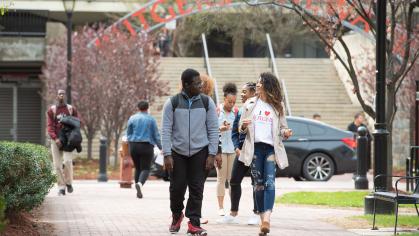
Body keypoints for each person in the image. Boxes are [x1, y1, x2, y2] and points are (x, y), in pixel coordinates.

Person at [162, 68, 219, 235]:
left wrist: (211, 154)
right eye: (196, 83)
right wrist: (167, 154)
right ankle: (176, 214)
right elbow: (165, 130)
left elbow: (214, 130)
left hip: (200, 152)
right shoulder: (172, 103)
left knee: (197, 189)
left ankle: (194, 223)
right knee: (177, 188)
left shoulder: (207, 102)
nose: (200, 86)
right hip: (177, 153)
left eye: (200, 82)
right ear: (186, 84)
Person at [239, 72, 293, 235]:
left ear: (266, 85)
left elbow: (283, 128)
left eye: (260, 82)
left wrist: (286, 132)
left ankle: (267, 219)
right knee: (258, 184)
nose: (257, 84)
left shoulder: (277, 105)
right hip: (254, 149)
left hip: (270, 149)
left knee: (270, 182)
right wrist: (243, 126)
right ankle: (263, 220)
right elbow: (240, 128)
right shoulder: (249, 104)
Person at [216, 82, 259, 225]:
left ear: (253, 93)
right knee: (234, 181)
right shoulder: (240, 110)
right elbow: (235, 132)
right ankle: (233, 214)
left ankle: (256, 213)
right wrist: (236, 147)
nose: (241, 94)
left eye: (244, 92)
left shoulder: (258, 109)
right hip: (241, 152)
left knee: (256, 183)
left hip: (255, 152)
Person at [126, 100, 162, 199]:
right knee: (146, 168)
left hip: (134, 146)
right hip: (146, 146)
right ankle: (140, 184)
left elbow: (128, 133)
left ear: (138, 108)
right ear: (147, 108)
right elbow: (156, 135)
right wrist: (161, 147)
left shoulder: (132, 118)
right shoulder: (151, 119)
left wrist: (130, 142)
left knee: (138, 168)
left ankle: (137, 187)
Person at [47, 89, 79, 196]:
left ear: (65, 96)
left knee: (67, 162)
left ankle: (69, 183)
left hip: (67, 140)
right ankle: (61, 187)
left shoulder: (71, 109)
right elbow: (50, 127)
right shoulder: (52, 110)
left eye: (63, 94)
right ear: (56, 96)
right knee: (57, 165)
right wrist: (55, 139)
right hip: (55, 140)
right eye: (59, 94)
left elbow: (76, 124)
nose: (61, 96)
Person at [215, 83, 238, 216]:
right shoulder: (217, 111)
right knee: (221, 179)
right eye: (229, 102)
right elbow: (211, 130)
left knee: (232, 180)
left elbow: (238, 130)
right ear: (224, 99)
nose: (231, 104)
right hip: (221, 150)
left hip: (233, 150)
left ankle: (232, 207)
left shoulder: (236, 112)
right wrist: (221, 128)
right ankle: (220, 207)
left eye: (234, 102)